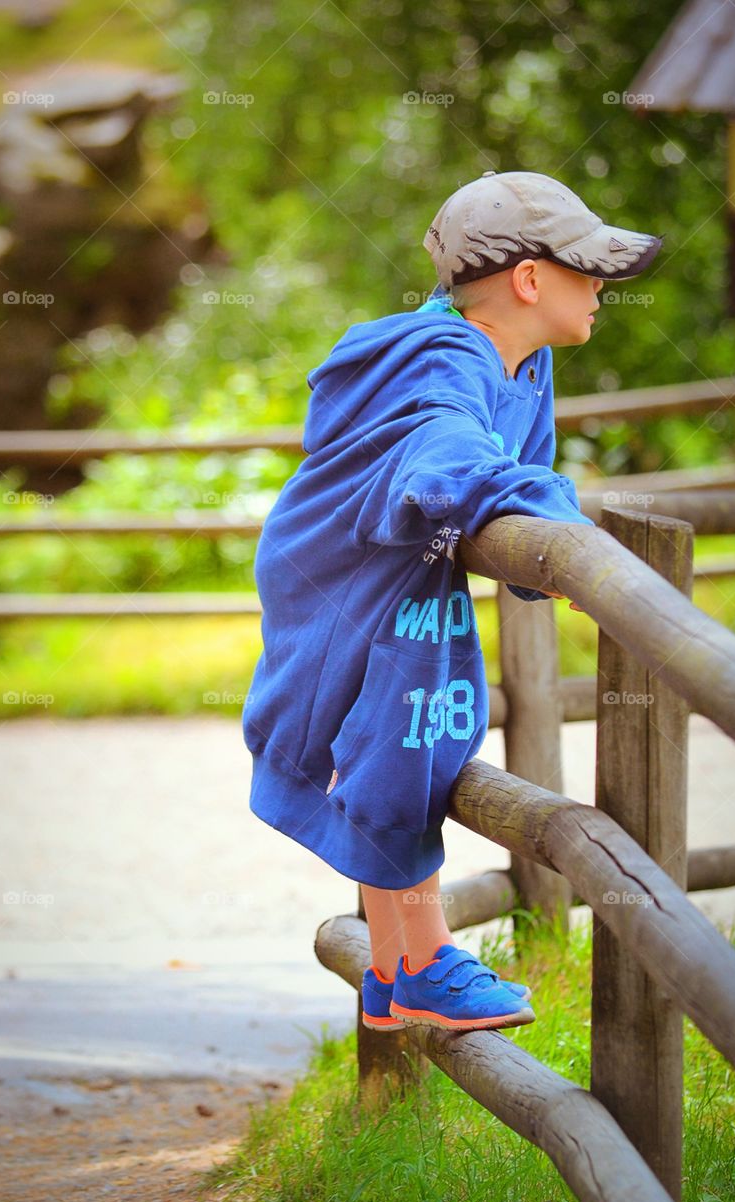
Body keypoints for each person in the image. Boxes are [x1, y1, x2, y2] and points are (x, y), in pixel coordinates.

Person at [242, 170, 663, 1032]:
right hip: (344, 574)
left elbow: (523, 471)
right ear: (530, 278)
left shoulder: (528, 361)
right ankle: (428, 960)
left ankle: (395, 972)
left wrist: (536, 555)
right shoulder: (445, 357)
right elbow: (450, 462)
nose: (601, 289)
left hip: (402, 567)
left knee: (419, 727)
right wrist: (568, 538)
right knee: (402, 739)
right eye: (587, 269)